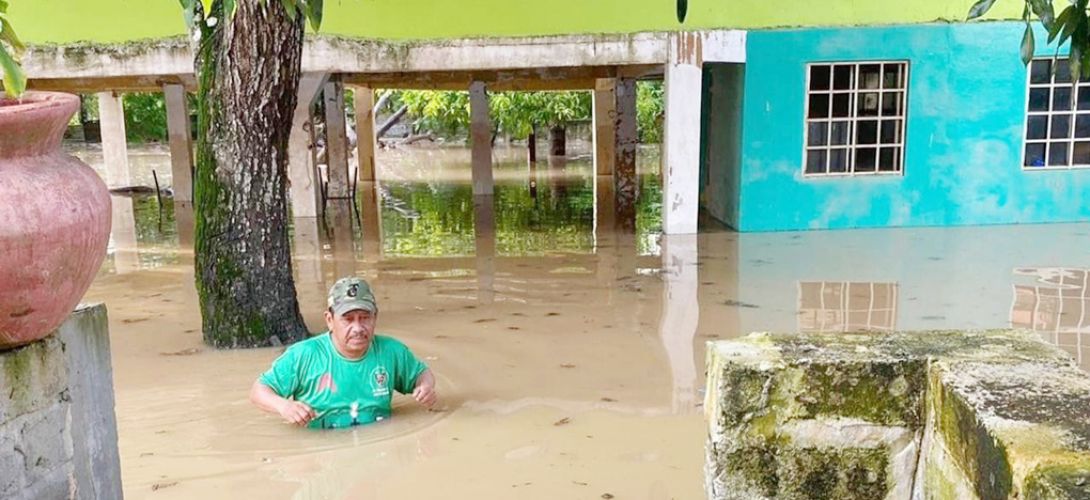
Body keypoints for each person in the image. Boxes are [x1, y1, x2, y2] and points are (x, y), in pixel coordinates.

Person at [250, 277, 437, 429]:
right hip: (321, 449)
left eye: (364, 318)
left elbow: (422, 374)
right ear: (330, 320)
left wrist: (425, 388)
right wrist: (285, 406)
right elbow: (259, 390)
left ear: (375, 317)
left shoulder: (391, 351)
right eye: (348, 319)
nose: (358, 328)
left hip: (376, 442)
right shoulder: (304, 355)